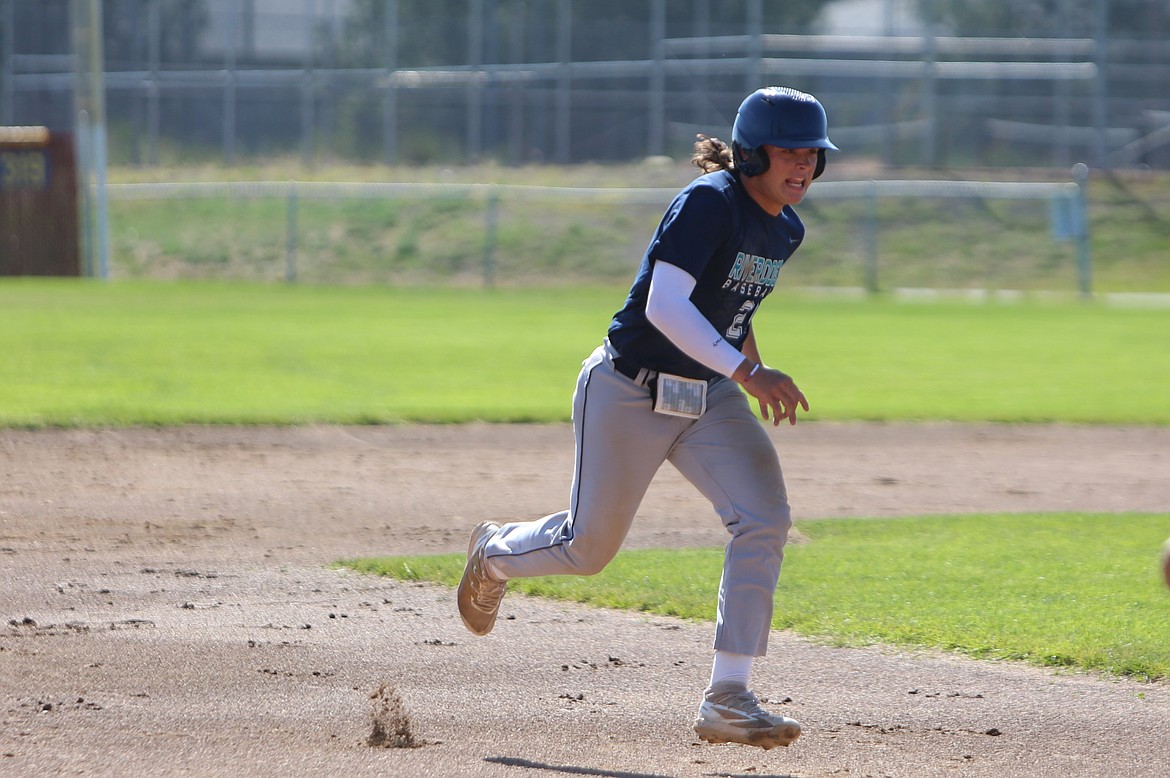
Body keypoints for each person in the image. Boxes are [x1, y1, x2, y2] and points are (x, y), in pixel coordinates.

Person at [457, 86, 837, 750]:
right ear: (751, 155)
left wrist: (748, 368)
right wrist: (749, 374)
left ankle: (728, 698)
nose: (802, 165)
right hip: (627, 389)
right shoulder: (708, 202)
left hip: (706, 398)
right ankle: (493, 556)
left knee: (765, 519)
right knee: (587, 550)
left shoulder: (786, 227)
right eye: (788, 152)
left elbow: (731, 310)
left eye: (812, 154)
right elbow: (666, 305)